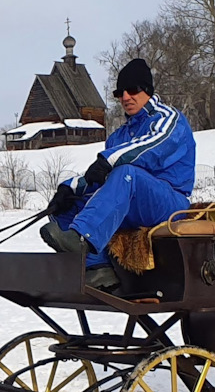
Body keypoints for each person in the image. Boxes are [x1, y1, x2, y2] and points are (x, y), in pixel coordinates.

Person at [39, 58, 195, 290]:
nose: (126, 97)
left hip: (170, 203)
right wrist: (72, 188)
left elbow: (149, 148)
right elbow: (105, 180)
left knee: (125, 173)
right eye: (119, 92)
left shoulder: (169, 119)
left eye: (133, 90)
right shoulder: (119, 136)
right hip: (132, 202)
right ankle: (98, 268)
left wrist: (109, 160)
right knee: (71, 200)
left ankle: (82, 239)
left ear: (148, 91)